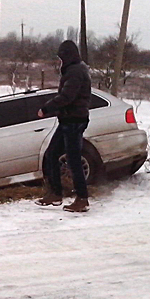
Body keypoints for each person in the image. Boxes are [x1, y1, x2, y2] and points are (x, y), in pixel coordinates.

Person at [36, 40, 92, 212]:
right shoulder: (75, 69)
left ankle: (82, 199)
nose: (60, 61)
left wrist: (46, 108)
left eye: (61, 57)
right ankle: (55, 193)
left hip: (74, 121)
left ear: (68, 56)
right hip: (68, 120)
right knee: (52, 153)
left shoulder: (75, 71)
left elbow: (67, 96)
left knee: (73, 161)